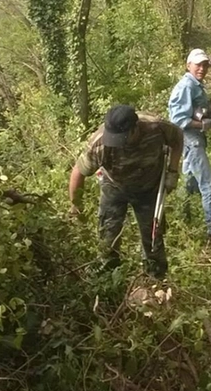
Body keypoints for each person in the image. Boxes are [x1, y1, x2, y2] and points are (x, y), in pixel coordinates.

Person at [69, 104, 183, 277]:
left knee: (153, 236)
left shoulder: (156, 127)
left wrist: (173, 171)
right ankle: (109, 273)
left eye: (121, 138)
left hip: (149, 187)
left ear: (134, 128)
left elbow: (178, 138)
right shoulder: (100, 143)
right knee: (108, 234)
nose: (116, 142)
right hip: (114, 187)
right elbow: (78, 172)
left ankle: (156, 277)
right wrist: (76, 207)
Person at [168, 48, 211, 247]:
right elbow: (178, 119)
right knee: (209, 185)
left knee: (188, 185)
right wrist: (209, 123)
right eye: (198, 65)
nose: (202, 68)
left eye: (205, 64)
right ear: (188, 66)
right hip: (191, 141)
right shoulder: (186, 86)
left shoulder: (196, 85)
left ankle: (182, 224)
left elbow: (198, 113)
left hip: (195, 140)